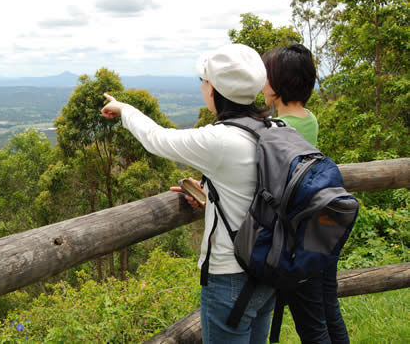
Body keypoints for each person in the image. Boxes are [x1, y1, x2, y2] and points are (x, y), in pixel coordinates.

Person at [102, 44, 275, 343]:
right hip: (269, 269)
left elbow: (156, 139)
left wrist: (125, 109)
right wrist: (212, 194)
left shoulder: (221, 139)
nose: (203, 87)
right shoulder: (274, 127)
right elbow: (254, 189)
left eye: (204, 81)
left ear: (214, 89)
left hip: (231, 277)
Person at [262, 43, 350, 344]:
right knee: (329, 308)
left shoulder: (277, 130)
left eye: (266, 76)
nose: (262, 83)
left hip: (298, 235)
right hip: (323, 225)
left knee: (312, 323)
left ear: (278, 85)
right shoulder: (308, 118)